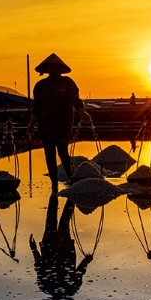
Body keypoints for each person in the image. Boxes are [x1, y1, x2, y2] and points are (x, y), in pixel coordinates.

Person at [27, 53, 89, 194]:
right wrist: (31, 126)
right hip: (45, 126)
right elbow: (36, 108)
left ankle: (72, 180)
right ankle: (54, 184)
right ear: (47, 69)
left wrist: (81, 112)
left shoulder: (67, 83)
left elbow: (76, 100)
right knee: (49, 154)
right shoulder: (41, 86)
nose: (53, 70)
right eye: (51, 67)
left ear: (60, 69)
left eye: (56, 67)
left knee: (63, 153)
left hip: (63, 125)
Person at [29, 196, 92, 300]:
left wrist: (86, 261)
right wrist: (34, 249)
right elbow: (39, 266)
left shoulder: (69, 288)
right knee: (53, 219)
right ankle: (60, 192)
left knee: (63, 221)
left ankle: (69, 195)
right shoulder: (46, 287)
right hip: (54, 248)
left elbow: (79, 273)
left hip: (61, 250)